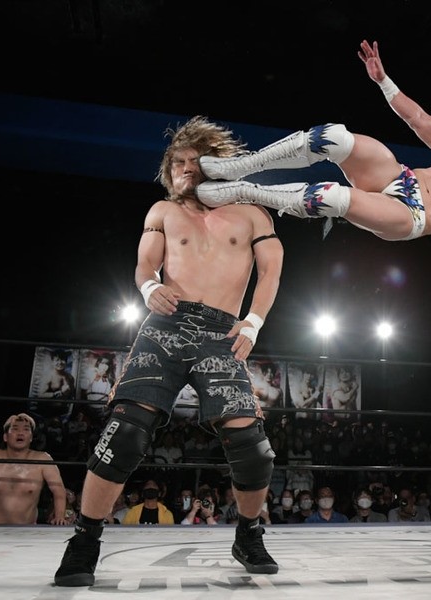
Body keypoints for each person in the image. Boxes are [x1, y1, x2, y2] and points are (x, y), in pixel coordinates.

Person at [53, 116, 285, 586]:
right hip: (165, 326)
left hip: (222, 333)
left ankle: (248, 534)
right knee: (124, 433)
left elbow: (271, 271)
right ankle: (84, 540)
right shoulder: (162, 211)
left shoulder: (252, 214)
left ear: (216, 166)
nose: (185, 169)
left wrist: (254, 321)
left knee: (254, 450)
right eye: (177, 163)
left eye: (195, 162)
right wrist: (148, 288)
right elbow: (144, 265)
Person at [197, 39, 431, 317]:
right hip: (402, 177)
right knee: (333, 137)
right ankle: (239, 167)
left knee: (332, 197)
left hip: (411, 215)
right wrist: (383, 81)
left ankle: (243, 191)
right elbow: (419, 119)